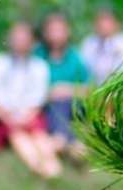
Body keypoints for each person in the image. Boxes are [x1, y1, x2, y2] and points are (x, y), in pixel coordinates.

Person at [0, 22, 60, 179]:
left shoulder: (39, 66)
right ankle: (36, 164)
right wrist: (7, 116)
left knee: (39, 136)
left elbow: (38, 97)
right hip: (6, 117)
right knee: (18, 136)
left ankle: (51, 164)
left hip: (31, 115)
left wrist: (27, 116)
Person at [35, 13, 87, 154]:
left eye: (59, 30)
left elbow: (89, 89)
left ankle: (61, 139)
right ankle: (70, 142)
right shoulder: (37, 55)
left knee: (63, 102)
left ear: (67, 31)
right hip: (45, 105)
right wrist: (49, 92)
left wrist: (67, 89)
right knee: (58, 104)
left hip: (73, 106)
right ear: (45, 32)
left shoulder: (75, 57)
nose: (55, 35)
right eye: (52, 31)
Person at [79, 7, 123, 86]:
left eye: (107, 20)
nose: (103, 25)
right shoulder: (89, 43)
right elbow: (83, 71)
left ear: (117, 24)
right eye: (100, 20)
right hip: (92, 90)